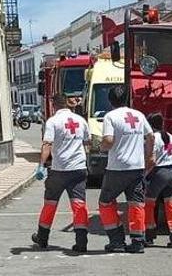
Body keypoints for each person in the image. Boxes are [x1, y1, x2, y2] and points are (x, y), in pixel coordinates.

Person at [98, 85, 154, 253]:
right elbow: (150, 135)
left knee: (105, 202)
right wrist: (149, 156)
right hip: (137, 167)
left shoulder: (110, 117)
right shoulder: (138, 115)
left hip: (117, 168)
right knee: (136, 203)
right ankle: (137, 241)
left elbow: (108, 140)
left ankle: (117, 240)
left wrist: (101, 147)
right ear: (127, 99)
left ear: (110, 101)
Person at [31, 94, 90, 252]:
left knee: (50, 203)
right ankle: (81, 241)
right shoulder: (81, 120)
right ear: (67, 104)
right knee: (79, 205)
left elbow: (47, 145)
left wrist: (41, 165)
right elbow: (87, 143)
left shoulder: (53, 121)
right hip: (78, 169)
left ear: (53, 105)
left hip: (59, 170)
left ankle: (42, 238)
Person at [144, 113, 172, 248]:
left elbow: (152, 159)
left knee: (149, 204)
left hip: (159, 173)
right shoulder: (170, 136)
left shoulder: (153, 137)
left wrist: (144, 173)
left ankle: (149, 236)